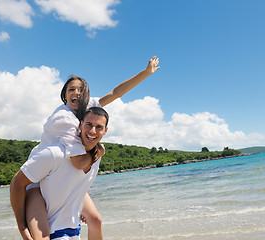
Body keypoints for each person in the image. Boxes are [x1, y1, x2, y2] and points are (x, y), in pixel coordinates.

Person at [22, 56, 160, 239]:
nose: (76, 93)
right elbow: (79, 163)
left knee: (95, 219)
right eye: (71, 89)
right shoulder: (64, 118)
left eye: (81, 90)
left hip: (64, 175)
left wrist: (145, 73)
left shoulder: (88, 108)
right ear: (65, 94)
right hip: (39, 179)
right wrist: (99, 151)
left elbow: (116, 93)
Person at [10, 107, 109, 240]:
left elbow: (75, 181)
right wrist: (22, 227)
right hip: (49, 223)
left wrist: (77, 203)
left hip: (71, 226)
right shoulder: (55, 154)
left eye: (99, 127)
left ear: (105, 131)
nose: (92, 131)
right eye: (89, 125)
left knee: (96, 221)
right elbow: (17, 182)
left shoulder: (97, 154)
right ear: (80, 125)